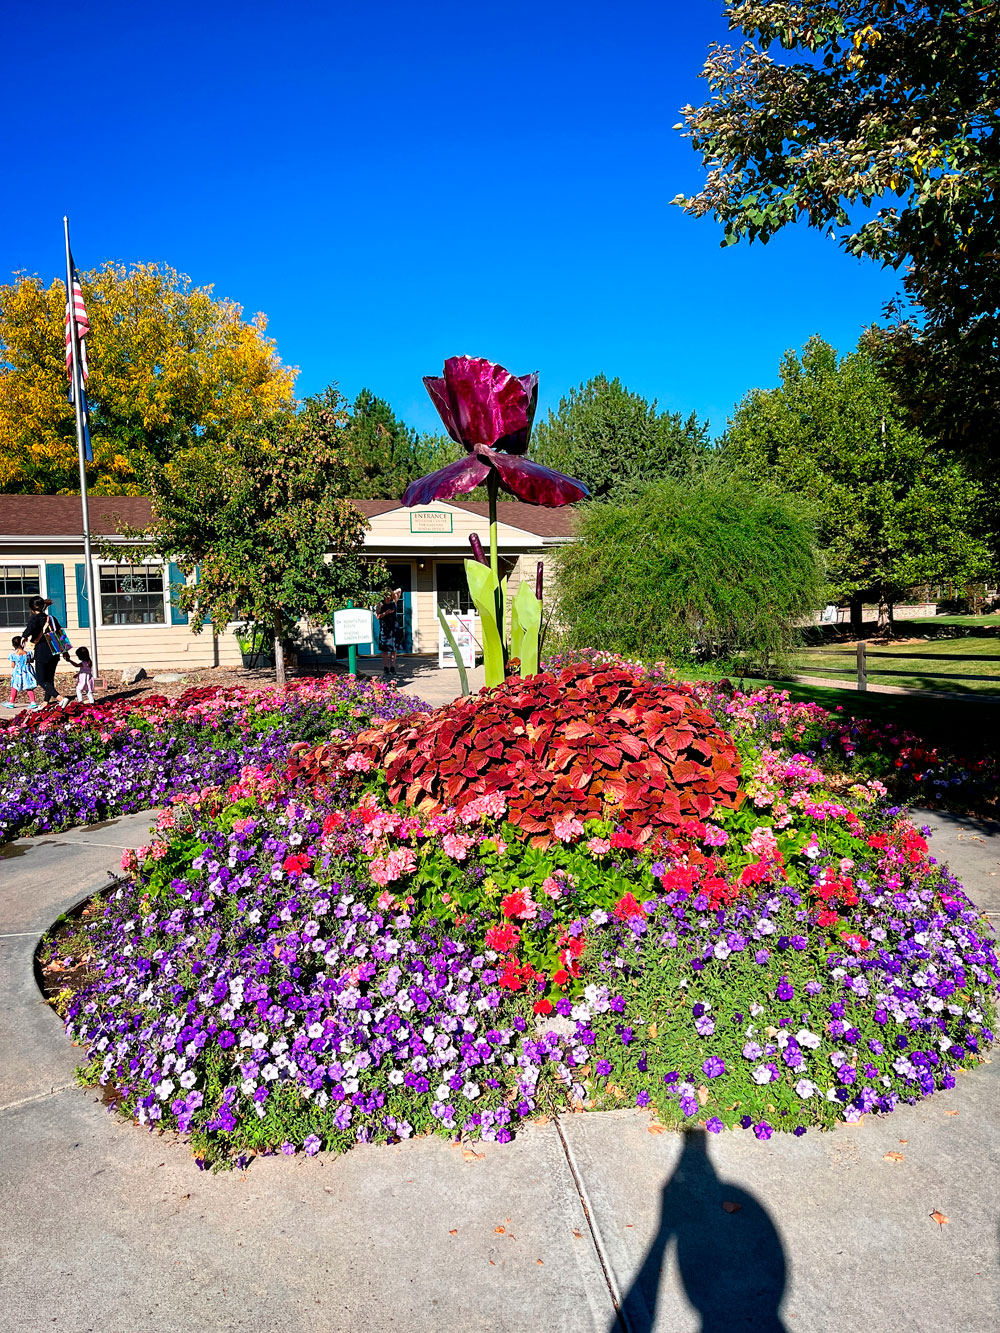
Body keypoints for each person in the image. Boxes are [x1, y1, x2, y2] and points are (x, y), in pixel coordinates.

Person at [23, 595, 71, 707]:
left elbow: (29, 629)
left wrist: (23, 637)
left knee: (41, 679)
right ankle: (45, 702)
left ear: (32, 608)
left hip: (42, 653)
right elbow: (61, 635)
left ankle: (61, 698)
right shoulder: (52, 619)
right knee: (49, 678)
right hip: (54, 652)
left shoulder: (35, 618)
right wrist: (65, 652)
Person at [4, 636, 38, 710]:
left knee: (14, 687)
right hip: (27, 673)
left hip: (17, 674)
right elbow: (31, 661)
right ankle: (33, 702)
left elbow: (13, 665)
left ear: (14, 645)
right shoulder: (28, 653)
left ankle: (11, 702)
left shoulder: (13, 655)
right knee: (29, 687)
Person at [375, 587, 402, 676]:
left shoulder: (394, 601)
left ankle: (393, 667)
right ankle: (386, 668)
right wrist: (386, 613)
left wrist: (392, 592)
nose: (387, 598)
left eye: (389, 596)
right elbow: (377, 616)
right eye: (386, 596)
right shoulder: (380, 604)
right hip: (385, 629)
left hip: (394, 628)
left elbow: (399, 590)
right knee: (385, 650)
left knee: (393, 650)